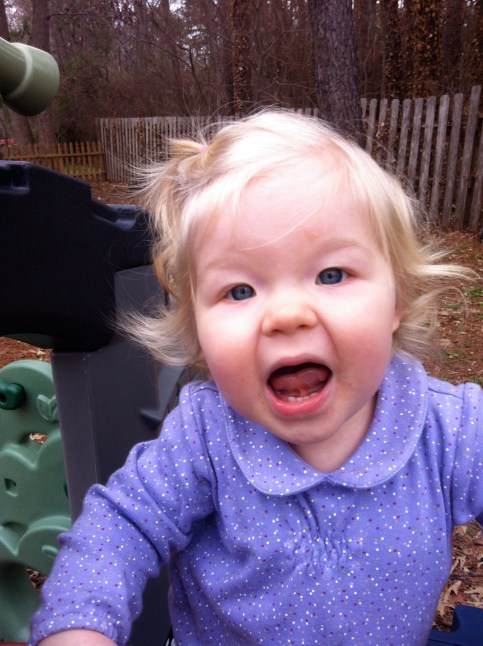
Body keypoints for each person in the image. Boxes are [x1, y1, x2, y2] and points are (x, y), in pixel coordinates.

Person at [30, 111, 482, 645]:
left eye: (331, 274)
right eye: (240, 291)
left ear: (396, 300)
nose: (287, 315)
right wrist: (77, 626)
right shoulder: (205, 436)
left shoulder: (449, 429)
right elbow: (120, 526)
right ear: (198, 329)